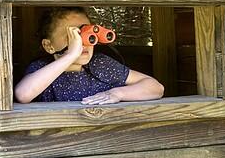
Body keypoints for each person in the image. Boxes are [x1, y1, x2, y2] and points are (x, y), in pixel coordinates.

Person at [14, 7, 164, 105]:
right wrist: (71, 54)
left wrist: (118, 93)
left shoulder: (100, 65)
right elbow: (23, 94)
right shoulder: (42, 69)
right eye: (73, 36)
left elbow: (156, 88)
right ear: (49, 46)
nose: (82, 42)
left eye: (87, 34)